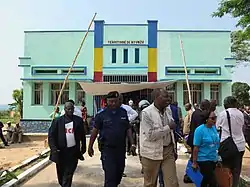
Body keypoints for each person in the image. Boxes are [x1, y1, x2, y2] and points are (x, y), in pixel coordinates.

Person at [88, 91, 136, 187]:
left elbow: (128, 128)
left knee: (119, 174)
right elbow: (95, 131)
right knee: (110, 177)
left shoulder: (123, 112)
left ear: (119, 101)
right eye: (111, 101)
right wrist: (90, 146)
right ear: (107, 102)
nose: (113, 103)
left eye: (115, 101)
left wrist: (132, 143)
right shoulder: (101, 115)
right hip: (107, 149)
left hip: (121, 149)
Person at [140, 88, 179, 187]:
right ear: (156, 98)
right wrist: (168, 127)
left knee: (172, 183)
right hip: (151, 153)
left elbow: (171, 133)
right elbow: (150, 135)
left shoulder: (168, 110)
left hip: (168, 151)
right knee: (150, 184)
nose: (168, 99)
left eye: (168, 96)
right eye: (165, 96)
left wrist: (174, 149)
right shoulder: (146, 113)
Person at [48, 101, 86, 187]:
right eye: (68, 109)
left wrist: (83, 147)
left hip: (72, 152)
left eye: (72, 109)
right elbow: (51, 136)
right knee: (61, 176)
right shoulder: (57, 121)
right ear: (64, 109)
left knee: (68, 174)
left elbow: (82, 135)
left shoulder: (78, 120)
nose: (70, 111)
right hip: (60, 152)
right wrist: (54, 149)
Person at [216, 96, 245, 187]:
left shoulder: (223, 114)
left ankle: (226, 184)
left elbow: (217, 127)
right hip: (240, 145)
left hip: (227, 146)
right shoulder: (241, 113)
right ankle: (235, 185)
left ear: (227, 104)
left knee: (226, 169)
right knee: (236, 169)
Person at [184, 99, 210, 183]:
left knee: (194, 158)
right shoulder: (198, 114)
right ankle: (189, 176)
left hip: (194, 139)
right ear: (204, 107)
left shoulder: (196, 112)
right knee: (194, 159)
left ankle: (190, 176)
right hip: (196, 141)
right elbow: (203, 117)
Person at [192, 110, 219, 187]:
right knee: (213, 182)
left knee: (205, 181)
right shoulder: (199, 130)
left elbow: (216, 143)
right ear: (207, 119)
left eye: (215, 118)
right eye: (213, 118)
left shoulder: (213, 128)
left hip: (213, 159)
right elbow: (196, 147)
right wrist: (194, 162)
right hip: (203, 159)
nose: (215, 120)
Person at [137, 99, 151, 174]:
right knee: (141, 152)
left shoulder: (151, 114)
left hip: (149, 136)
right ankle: (144, 166)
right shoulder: (138, 115)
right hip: (141, 136)